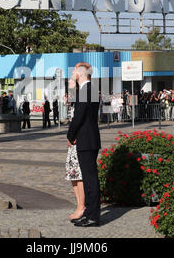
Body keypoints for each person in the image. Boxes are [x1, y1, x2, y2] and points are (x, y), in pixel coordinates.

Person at [67, 62, 101, 227]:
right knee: (89, 179)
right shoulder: (90, 89)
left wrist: (70, 134)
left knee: (90, 179)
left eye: (74, 71)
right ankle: (88, 213)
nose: (72, 73)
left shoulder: (86, 91)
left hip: (86, 139)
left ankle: (93, 216)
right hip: (90, 138)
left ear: (80, 73)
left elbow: (78, 117)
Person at [65, 75, 85, 221]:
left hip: (79, 140)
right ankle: (79, 205)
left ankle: (81, 206)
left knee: (79, 174)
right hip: (73, 142)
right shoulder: (74, 99)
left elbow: (81, 119)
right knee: (73, 174)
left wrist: (72, 135)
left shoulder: (83, 96)